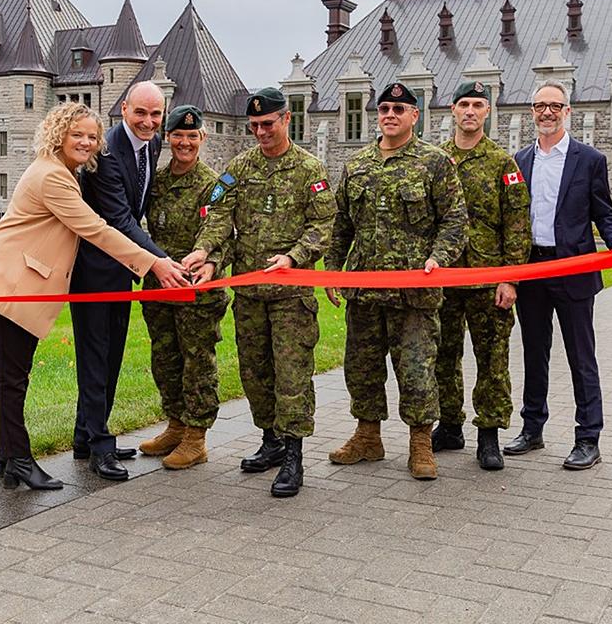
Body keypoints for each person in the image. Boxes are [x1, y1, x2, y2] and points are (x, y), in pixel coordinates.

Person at [0, 102, 189, 490]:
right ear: (58, 136)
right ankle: (17, 458)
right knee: (11, 378)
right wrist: (155, 263)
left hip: (17, 280)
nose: (86, 143)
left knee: (11, 374)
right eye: (77, 135)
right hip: (10, 281)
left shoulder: (61, 171)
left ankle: (5, 457)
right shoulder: (52, 177)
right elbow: (97, 230)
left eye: (92, 136)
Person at [183, 87, 335, 498]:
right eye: (254, 126)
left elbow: (322, 227)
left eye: (268, 124)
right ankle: (271, 440)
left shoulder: (309, 169)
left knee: (291, 376)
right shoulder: (239, 167)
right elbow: (219, 216)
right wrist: (203, 249)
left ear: (286, 119)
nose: (261, 132)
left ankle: (294, 456)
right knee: (254, 373)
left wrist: (294, 257)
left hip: (290, 295)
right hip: (250, 294)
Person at [324, 82, 468, 481]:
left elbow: (455, 221)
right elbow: (341, 225)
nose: (389, 115)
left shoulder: (435, 163)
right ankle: (368, 436)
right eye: (384, 108)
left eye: (398, 109)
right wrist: (333, 269)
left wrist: (438, 258)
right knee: (362, 367)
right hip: (364, 291)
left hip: (414, 295)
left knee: (418, 370)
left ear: (414, 116)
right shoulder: (357, 165)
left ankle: (420, 443)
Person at [504, 81, 612, 470]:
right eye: (539, 105)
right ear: (532, 111)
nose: (547, 112)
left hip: (574, 270)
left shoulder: (589, 159)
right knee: (533, 352)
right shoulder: (519, 160)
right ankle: (532, 429)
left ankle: (587, 437)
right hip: (532, 270)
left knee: (581, 356)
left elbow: (604, 213)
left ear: (567, 112)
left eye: (554, 106)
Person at [69, 81, 170, 482]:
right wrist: (160, 261)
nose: (148, 122)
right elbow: (120, 218)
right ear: (124, 109)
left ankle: (85, 435)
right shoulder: (106, 152)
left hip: (121, 269)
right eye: (140, 113)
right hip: (93, 271)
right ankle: (98, 446)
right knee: (96, 358)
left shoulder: (152, 144)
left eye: (156, 114)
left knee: (111, 356)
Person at [432, 81, 531, 470]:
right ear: (452, 111)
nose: (470, 111)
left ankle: (488, 434)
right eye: (463, 105)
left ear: (487, 112)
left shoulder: (502, 163)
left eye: (477, 105)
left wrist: (510, 279)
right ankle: (450, 424)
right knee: (443, 355)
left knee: (492, 359)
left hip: (489, 280)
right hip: (445, 277)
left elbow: (518, 225)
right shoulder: (436, 161)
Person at [138, 105, 231, 470]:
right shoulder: (158, 182)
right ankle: (175, 424)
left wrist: (205, 256)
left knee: (197, 363)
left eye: (192, 136)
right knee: (165, 358)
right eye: (178, 135)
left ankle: (196, 437)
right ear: (168, 138)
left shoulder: (214, 184)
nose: (185, 143)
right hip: (160, 287)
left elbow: (221, 229)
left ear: (202, 138)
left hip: (196, 292)